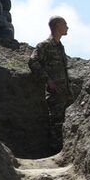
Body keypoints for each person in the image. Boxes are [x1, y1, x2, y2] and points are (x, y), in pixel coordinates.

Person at [29, 15, 72, 152]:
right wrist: (48, 80)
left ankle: (64, 151)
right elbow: (33, 62)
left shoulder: (60, 47)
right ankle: (55, 152)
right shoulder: (45, 46)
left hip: (65, 92)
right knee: (56, 122)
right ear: (57, 26)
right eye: (65, 24)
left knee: (64, 122)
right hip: (54, 93)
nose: (67, 27)